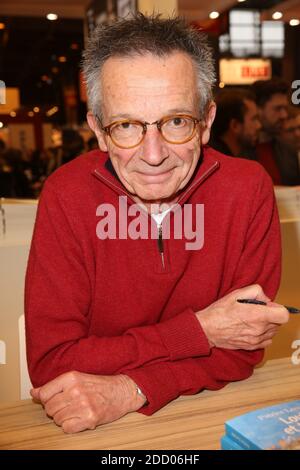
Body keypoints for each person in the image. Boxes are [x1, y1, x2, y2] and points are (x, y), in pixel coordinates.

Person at [26, 14, 289, 434]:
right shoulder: (66, 195)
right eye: (126, 125)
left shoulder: (248, 189)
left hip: (210, 415)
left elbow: (242, 349)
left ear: (206, 122)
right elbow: (53, 363)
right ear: (98, 130)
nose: (153, 155)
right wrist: (202, 330)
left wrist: (131, 388)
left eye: (177, 122)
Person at [252, 79, 300, 186]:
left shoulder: (288, 150)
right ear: (258, 109)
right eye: (278, 109)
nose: (284, 115)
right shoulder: (240, 149)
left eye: (285, 108)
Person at [211, 88, 261, 159]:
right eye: (254, 119)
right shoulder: (219, 163)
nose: (259, 126)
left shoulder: (245, 155)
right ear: (235, 125)